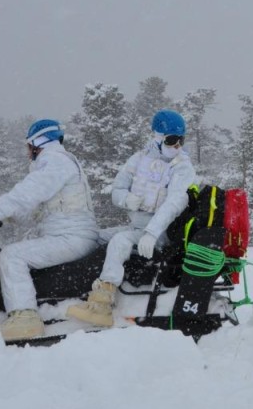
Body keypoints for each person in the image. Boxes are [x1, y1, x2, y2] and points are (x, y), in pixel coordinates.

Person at [0, 118, 99, 342]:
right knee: (14, 249)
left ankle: (25, 320)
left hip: (71, 237)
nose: (27, 151)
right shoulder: (59, 162)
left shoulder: (55, 161)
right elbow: (32, 206)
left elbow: (27, 193)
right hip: (71, 234)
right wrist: (4, 216)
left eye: (28, 145)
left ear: (37, 143)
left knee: (12, 256)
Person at [67, 109, 197, 328]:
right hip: (136, 226)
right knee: (95, 237)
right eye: (172, 140)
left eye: (181, 141)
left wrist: (152, 233)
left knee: (120, 241)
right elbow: (117, 189)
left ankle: (102, 305)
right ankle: (74, 287)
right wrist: (128, 199)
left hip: (162, 232)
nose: (177, 146)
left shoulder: (182, 167)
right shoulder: (138, 160)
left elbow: (174, 204)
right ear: (157, 138)